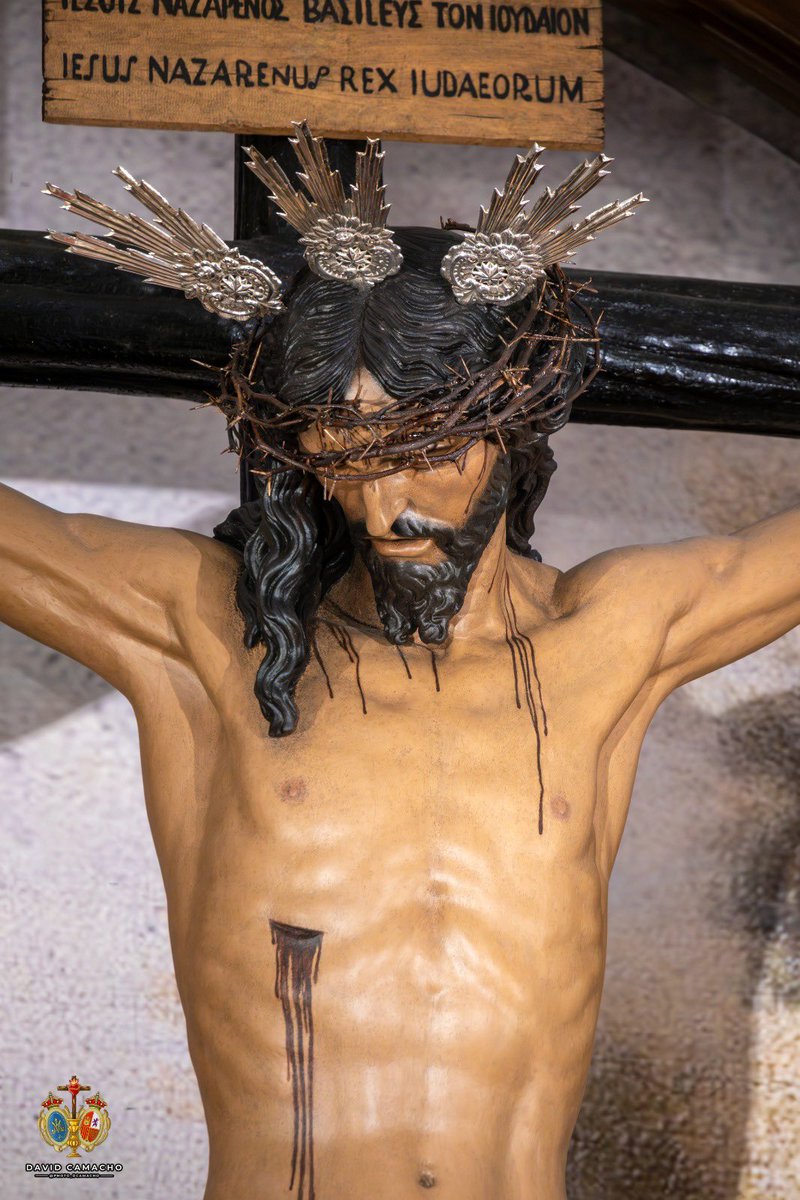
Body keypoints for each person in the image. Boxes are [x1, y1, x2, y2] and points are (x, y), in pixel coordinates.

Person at [2, 127, 798, 1200]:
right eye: (350, 460)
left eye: (426, 454)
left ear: (507, 425)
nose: (385, 510)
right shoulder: (208, 631)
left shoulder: (607, 638)